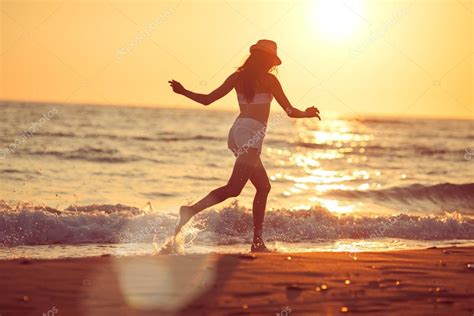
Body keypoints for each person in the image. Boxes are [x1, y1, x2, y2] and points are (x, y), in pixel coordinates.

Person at [168, 39, 320, 252]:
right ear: (266, 60)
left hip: (238, 131)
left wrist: (184, 92)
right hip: (251, 133)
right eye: (270, 61)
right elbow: (289, 110)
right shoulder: (269, 80)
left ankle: (257, 242)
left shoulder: (237, 77)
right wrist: (307, 113)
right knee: (234, 188)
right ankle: (191, 211)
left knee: (263, 187)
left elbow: (207, 100)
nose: (272, 66)